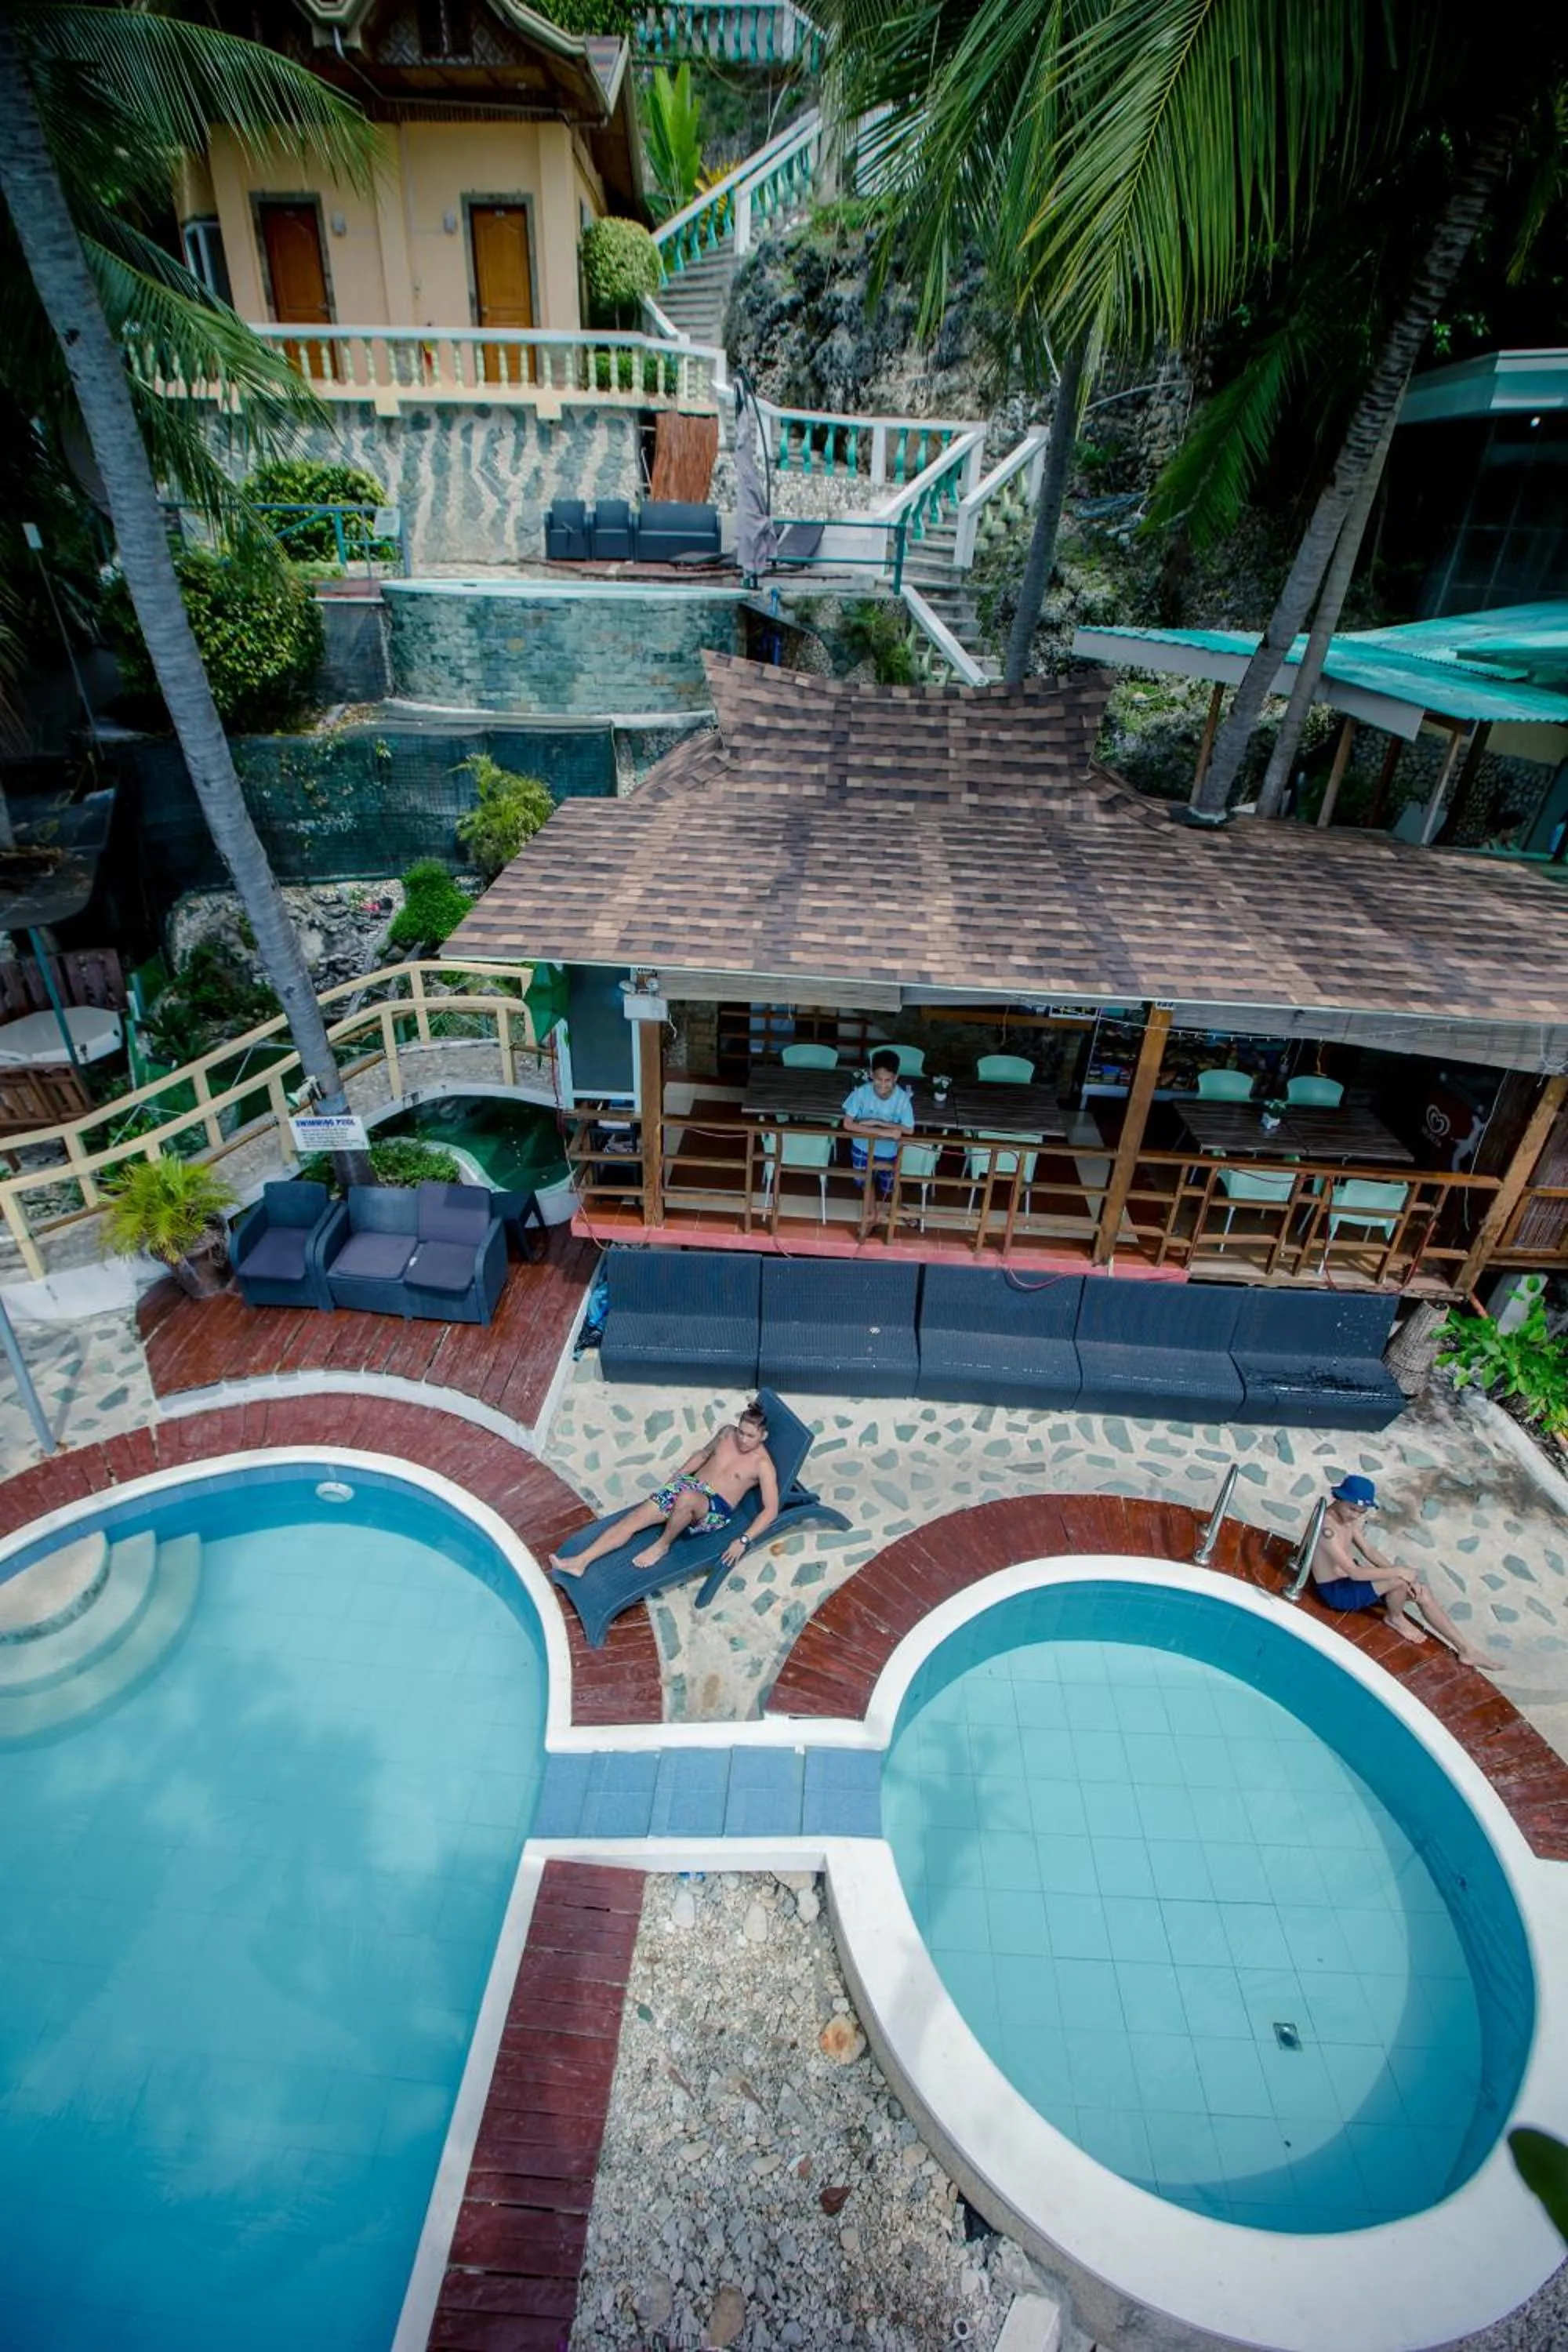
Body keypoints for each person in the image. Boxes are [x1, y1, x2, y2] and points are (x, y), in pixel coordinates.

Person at [550, 1398, 780, 1577]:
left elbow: (771, 1509)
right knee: (634, 1518)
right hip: (690, 1486)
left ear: (764, 1435)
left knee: (688, 1497)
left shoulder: (763, 1465)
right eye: (741, 1432)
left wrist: (743, 1541)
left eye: (751, 1436)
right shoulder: (727, 1434)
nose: (743, 1440)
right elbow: (702, 1455)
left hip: (714, 1509)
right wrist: (675, 1481)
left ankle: (662, 1546)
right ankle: (580, 1562)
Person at [1310, 1474, 1497, 1669]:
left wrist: (1398, 1573)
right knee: (1398, 1581)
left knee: (1420, 1591)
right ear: (1339, 1498)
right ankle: (1395, 1618)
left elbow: (1369, 1551)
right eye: (1352, 1509)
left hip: (1350, 1582)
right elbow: (1355, 1572)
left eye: (1361, 1512)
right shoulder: (1327, 1529)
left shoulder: (1347, 1518)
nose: (1355, 1516)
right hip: (1336, 1592)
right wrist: (1398, 1572)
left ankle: (1467, 1650)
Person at [841, 1048, 916, 1200]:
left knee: (891, 1185)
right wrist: (883, 1132)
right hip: (862, 1147)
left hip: (888, 1151)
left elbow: (909, 1129)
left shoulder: (902, 1098)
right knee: (866, 1183)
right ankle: (872, 1216)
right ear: (871, 1075)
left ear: (896, 1078)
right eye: (878, 1079)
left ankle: (899, 1211)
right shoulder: (861, 1093)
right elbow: (848, 1124)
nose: (882, 1084)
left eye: (887, 1080)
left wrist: (879, 1123)